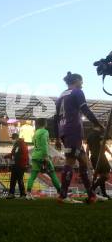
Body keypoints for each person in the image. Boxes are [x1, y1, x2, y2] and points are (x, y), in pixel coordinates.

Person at [55, 72, 105, 204]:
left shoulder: (61, 95)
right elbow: (85, 110)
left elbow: (56, 117)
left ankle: (91, 194)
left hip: (65, 131)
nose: (82, 84)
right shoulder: (77, 92)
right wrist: (97, 124)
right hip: (73, 130)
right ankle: (63, 196)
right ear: (76, 80)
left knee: (84, 162)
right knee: (70, 161)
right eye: (81, 81)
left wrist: (57, 137)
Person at [25, 118, 61, 200]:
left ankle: (28, 193)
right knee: (52, 174)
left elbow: (34, 142)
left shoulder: (35, 133)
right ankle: (60, 193)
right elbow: (45, 144)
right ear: (45, 124)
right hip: (43, 156)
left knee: (33, 175)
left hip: (35, 156)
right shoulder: (45, 132)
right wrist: (45, 156)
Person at [86, 127, 111, 199]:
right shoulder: (99, 134)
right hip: (101, 157)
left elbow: (87, 149)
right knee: (106, 176)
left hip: (93, 158)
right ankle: (92, 189)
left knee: (101, 176)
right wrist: (110, 153)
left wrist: (87, 159)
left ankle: (104, 194)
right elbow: (103, 145)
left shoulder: (89, 135)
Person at [5, 133, 29, 199]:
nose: (12, 140)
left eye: (12, 138)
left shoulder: (19, 144)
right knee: (14, 179)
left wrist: (10, 157)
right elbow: (15, 153)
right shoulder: (20, 143)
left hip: (19, 164)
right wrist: (8, 156)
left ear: (15, 138)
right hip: (19, 164)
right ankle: (12, 193)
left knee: (18, 179)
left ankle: (22, 194)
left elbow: (16, 154)